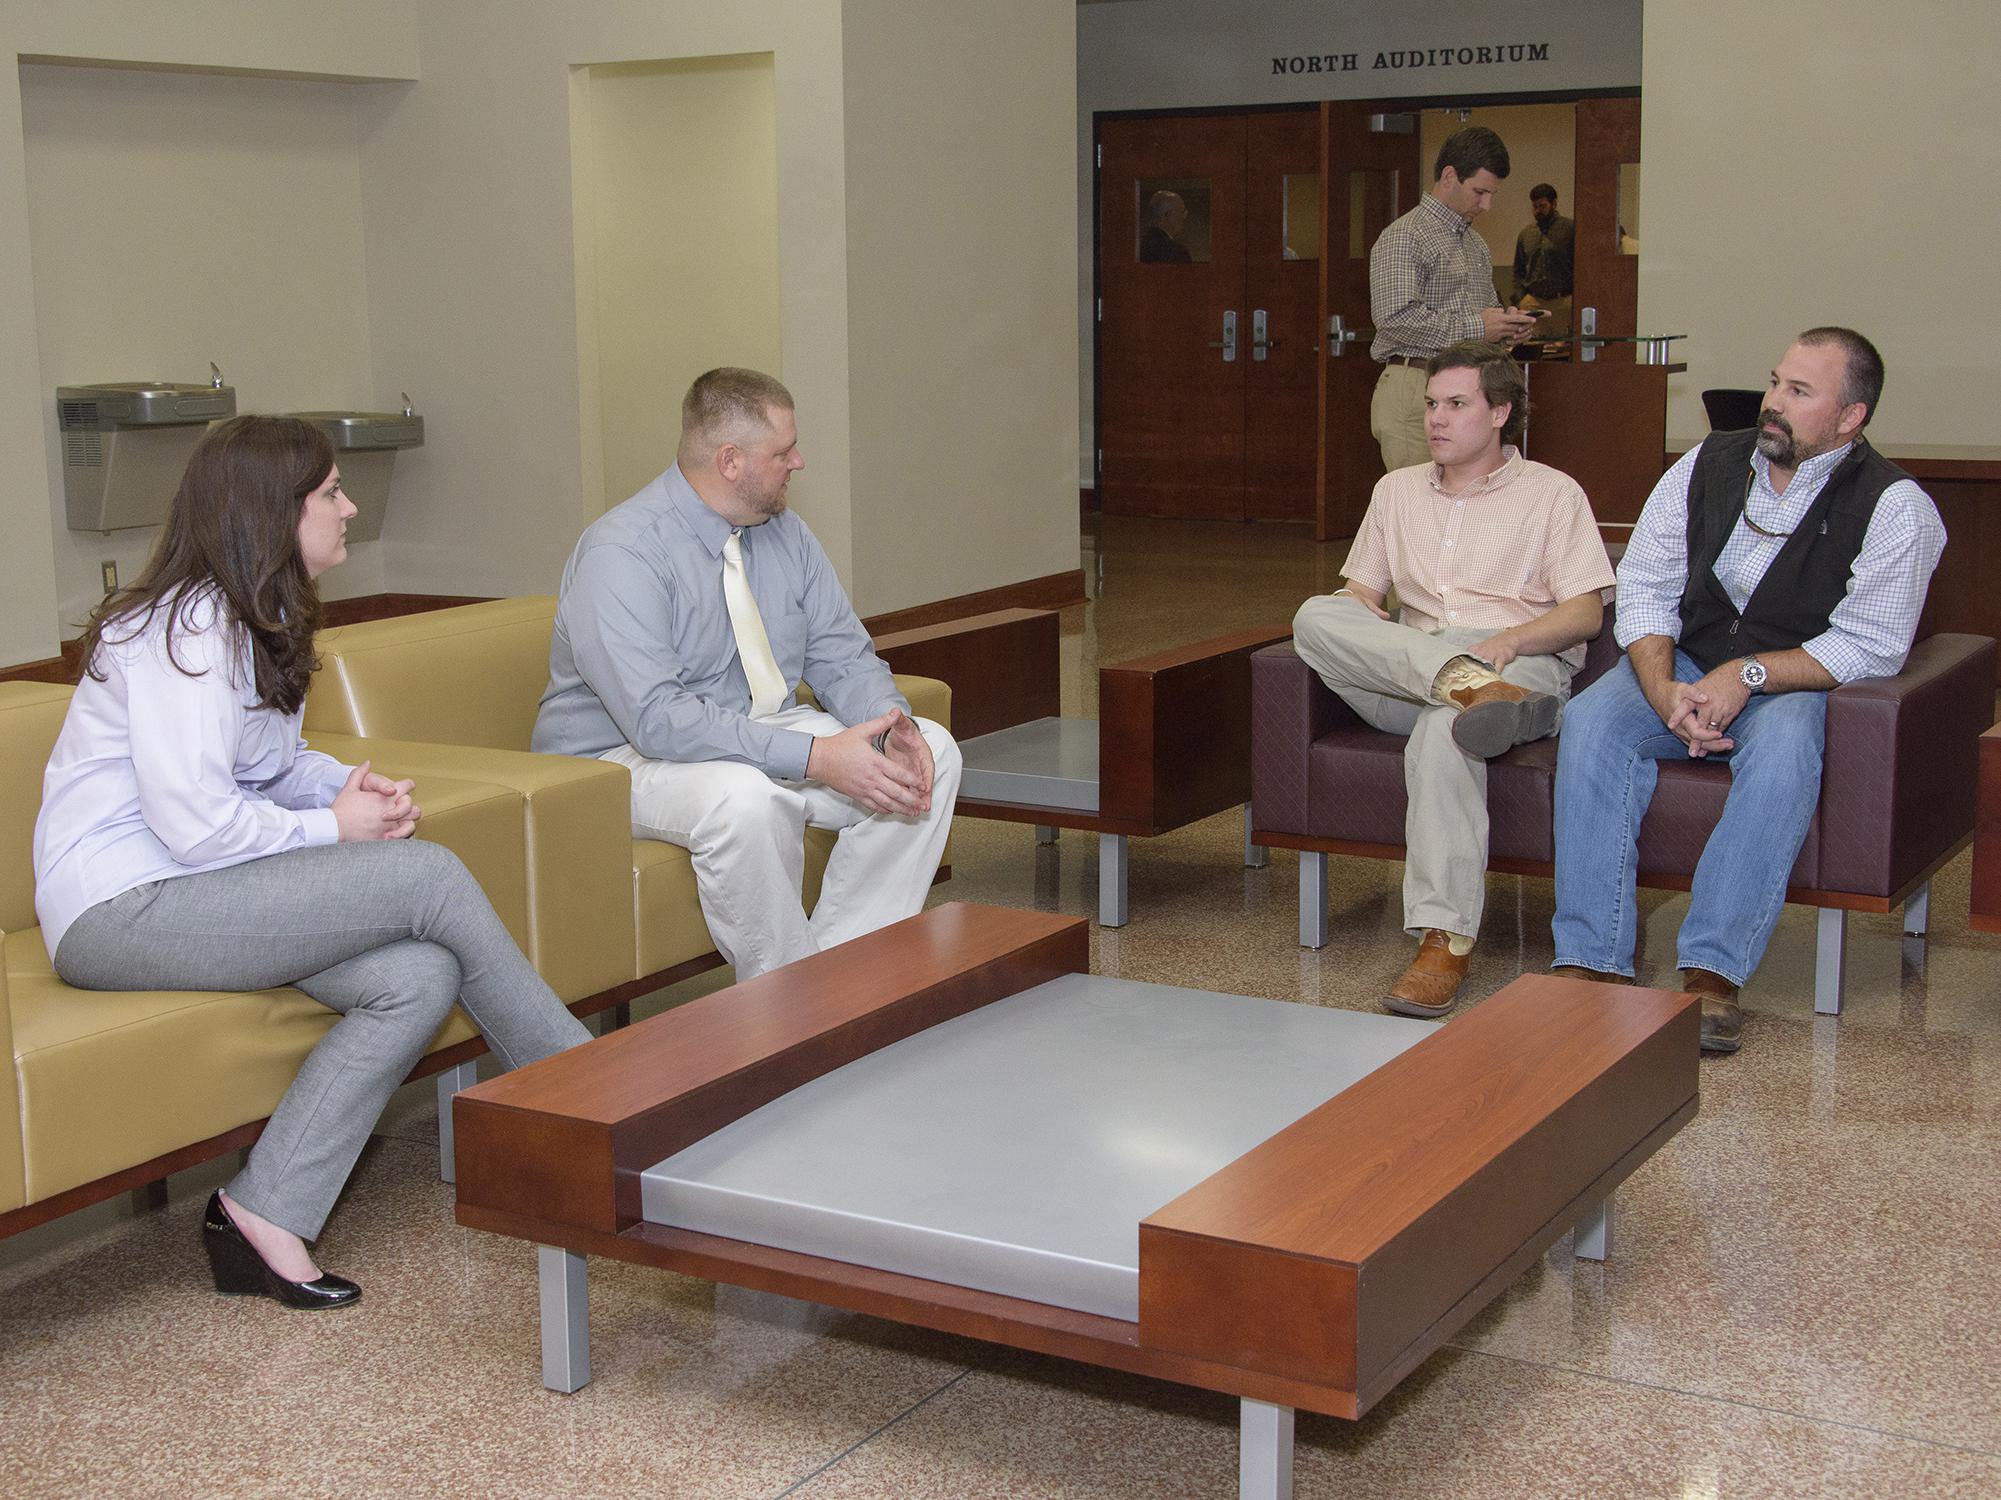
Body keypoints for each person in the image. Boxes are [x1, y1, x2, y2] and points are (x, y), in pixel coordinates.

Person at [33, 415, 589, 1310]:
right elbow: (197, 825)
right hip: (120, 910)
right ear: (271, 512)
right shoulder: (182, 631)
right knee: (428, 877)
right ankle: (597, 1106)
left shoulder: (254, 615)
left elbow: (268, 766)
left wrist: (346, 787)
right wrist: (335, 828)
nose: (350, 506)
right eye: (330, 492)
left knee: (417, 974)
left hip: (190, 889)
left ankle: (263, 1212)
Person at [1549, 328, 1946, 1053]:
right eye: (1773, 383)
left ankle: (1709, 971)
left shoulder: (1895, 507)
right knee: (1590, 721)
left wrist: (1748, 675)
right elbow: (1645, 582)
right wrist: (1663, 684)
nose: (1772, 403)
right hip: (1683, 662)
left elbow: (1870, 643)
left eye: (1798, 392)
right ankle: (1589, 960)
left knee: (1788, 747)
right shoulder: (1708, 461)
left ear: (1849, 416)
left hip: (1789, 681)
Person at [534, 367, 961, 981]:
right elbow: (660, 721)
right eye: (783, 451)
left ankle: (847, 976)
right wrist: (815, 756)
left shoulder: (787, 534)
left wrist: (890, 725)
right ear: (730, 460)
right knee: (746, 799)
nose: (800, 462)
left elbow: (841, 653)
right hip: (620, 756)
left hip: (753, 725)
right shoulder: (621, 553)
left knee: (935, 752)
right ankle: (787, 1004)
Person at [1292, 342, 1614, 1018]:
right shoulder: (1395, 490)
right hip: (1415, 660)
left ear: (1499, 412)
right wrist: (1368, 629)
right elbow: (1358, 596)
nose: (1436, 418)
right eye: (1431, 404)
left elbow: (1586, 611)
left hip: (1512, 658)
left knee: (1448, 732)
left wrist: (1513, 639)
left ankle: (1443, 940)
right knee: (1312, 615)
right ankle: (1460, 685)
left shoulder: (1552, 494)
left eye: (1456, 404)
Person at [1368, 125, 1541, 473]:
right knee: (1418, 513)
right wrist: (1480, 326)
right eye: (1479, 192)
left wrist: (1506, 327)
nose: (1487, 205)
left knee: (1467, 507)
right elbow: (1395, 321)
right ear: (1449, 176)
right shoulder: (1405, 236)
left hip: (1469, 387)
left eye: (1491, 194)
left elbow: (1480, 322)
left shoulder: (1475, 244)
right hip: (1415, 387)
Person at [1510, 183, 1575, 336]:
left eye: (1542, 206)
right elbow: (1518, 269)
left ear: (1554, 204)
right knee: (1532, 349)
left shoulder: (1570, 229)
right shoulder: (1526, 234)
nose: (1538, 211)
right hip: (1533, 301)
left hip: (1563, 301)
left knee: (1563, 350)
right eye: (1535, 207)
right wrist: (1520, 299)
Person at [1138, 190, 1193, 263]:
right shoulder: (1176, 252)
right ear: (1169, 215)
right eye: (1182, 212)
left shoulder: (1141, 245)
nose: (1184, 216)